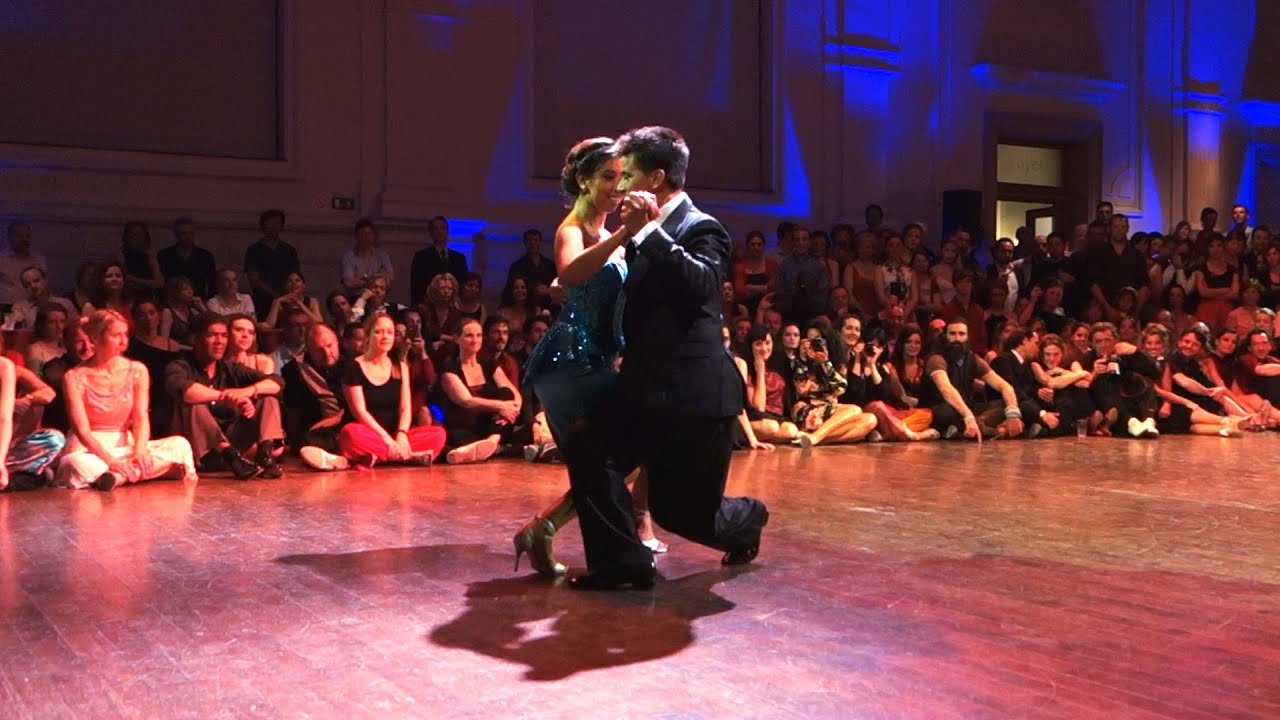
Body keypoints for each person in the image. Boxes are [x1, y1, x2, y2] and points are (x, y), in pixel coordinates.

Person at [565, 127, 768, 590]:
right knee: (588, 446)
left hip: (693, 394)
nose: (618, 186)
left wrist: (651, 232)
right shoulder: (636, 232)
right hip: (642, 386)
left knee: (685, 516)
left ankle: (750, 518)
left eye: (629, 175)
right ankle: (624, 563)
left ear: (656, 179)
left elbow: (701, 286)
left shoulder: (702, 227)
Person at [514, 137, 661, 577]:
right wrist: (625, 233)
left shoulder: (609, 236)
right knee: (618, 448)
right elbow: (570, 272)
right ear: (583, 180)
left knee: (603, 460)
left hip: (596, 360)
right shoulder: (572, 229)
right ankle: (628, 526)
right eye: (607, 177)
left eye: (622, 177)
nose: (617, 187)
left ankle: (543, 529)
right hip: (566, 364)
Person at [55, 310, 196, 490]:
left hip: (127, 445)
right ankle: (150, 472)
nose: (123, 341)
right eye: (116, 335)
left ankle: (118, 477)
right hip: (89, 449)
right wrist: (111, 460)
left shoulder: (137, 370)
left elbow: (140, 417)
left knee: (180, 445)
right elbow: (81, 429)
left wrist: (140, 450)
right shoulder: (74, 377)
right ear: (96, 338)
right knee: (76, 464)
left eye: (125, 335)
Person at [165, 313, 285, 479]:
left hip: (235, 441)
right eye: (211, 335)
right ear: (195, 339)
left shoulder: (229, 367)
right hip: (201, 450)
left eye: (224, 336)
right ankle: (231, 456)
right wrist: (225, 396)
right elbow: (185, 390)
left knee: (267, 397)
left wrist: (246, 392)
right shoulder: (179, 365)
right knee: (194, 406)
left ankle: (265, 455)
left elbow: (277, 382)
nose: (219, 341)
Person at [332, 312, 444, 467]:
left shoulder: (400, 366)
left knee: (438, 434)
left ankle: (382, 457)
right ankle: (407, 457)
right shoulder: (353, 367)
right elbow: (360, 412)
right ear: (368, 335)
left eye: (390, 332)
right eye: (378, 332)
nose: (385, 336)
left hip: (395, 434)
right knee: (350, 434)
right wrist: (386, 439)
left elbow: (405, 409)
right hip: (369, 434)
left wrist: (402, 434)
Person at [244, 209, 301, 321]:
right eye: (270, 223)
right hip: (262, 300)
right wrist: (275, 295)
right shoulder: (254, 250)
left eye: (277, 223)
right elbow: (253, 280)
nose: (274, 227)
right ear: (263, 225)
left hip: (287, 300)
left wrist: (288, 295)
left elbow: (296, 276)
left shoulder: (289, 250)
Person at [409, 216, 468, 307]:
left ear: (447, 232)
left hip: (453, 307)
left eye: (443, 228)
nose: (439, 232)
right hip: (429, 306)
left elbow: (463, 285)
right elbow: (416, 287)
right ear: (430, 232)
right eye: (436, 228)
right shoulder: (421, 257)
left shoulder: (459, 258)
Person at [157, 216, 217, 299]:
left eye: (191, 233)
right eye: (184, 233)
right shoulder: (165, 256)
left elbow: (213, 283)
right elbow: (161, 282)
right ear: (176, 234)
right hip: (171, 300)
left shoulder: (205, 256)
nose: (188, 237)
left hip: (197, 300)